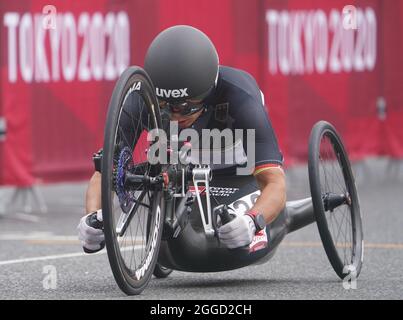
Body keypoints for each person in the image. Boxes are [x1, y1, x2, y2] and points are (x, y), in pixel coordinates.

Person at [78, 25, 286, 253]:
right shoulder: (137, 98)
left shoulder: (240, 96)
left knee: (236, 235)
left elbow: (275, 182)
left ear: (210, 92)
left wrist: (253, 220)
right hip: (179, 171)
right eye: (164, 106)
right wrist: (92, 217)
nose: (176, 115)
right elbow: (105, 172)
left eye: (186, 106)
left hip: (239, 173)